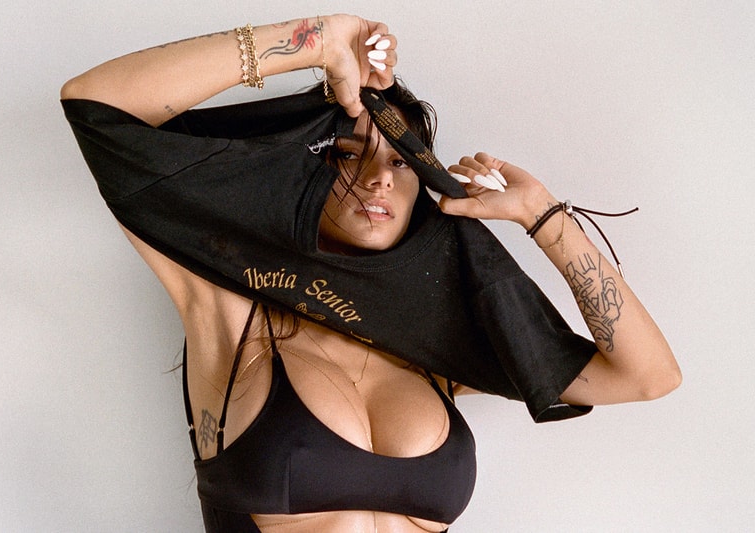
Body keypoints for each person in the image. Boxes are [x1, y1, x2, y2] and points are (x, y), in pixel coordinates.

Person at [61, 14, 681, 533]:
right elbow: (96, 104)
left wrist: (541, 215)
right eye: (348, 153)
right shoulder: (232, 309)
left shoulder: (437, 348)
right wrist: (318, 40)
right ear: (306, 171)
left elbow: (648, 377)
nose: (380, 178)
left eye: (403, 162)